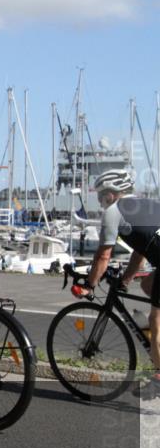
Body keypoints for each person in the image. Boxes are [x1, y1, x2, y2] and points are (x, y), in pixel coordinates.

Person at [72, 169, 160, 397]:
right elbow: (141, 250)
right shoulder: (146, 203)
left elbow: (103, 256)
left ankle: (159, 378)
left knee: (155, 320)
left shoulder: (114, 212)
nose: (101, 203)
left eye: (101, 197)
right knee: (147, 286)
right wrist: (126, 280)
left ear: (111, 194)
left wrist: (90, 285)